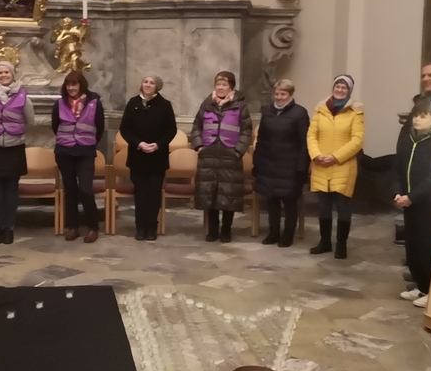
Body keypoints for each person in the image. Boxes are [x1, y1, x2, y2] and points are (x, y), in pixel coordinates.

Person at [190, 71, 253, 243]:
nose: (220, 87)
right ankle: (213, 231)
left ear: (231, 87)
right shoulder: (207, 103)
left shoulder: (240, 105)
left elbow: (246, 130)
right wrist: (199, 146)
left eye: (224, 84)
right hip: (208, 155)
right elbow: (196, 126)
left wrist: (238, 151)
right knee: (210, 194)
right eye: (218, 84)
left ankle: (226, 230)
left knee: (228, 194)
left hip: (230, 156)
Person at [307, 74, 364, 258]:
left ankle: (341, 245)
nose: (340, 90)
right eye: (337, 86)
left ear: (349, 91)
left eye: (344, 87)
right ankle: (325, 242)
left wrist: (335, 157)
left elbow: (357, 140)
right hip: (321, 164)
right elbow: (311, 135)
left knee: (343, 208)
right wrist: (316, 155)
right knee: (323, 207)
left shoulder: (355, 112)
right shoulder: (320, 110)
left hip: (343, 166)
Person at [393, 99, 431, 307]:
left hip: (427, 202)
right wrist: (398, 193)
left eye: (423, 116)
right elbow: (398, 169)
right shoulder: (407, 141)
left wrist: (413, 196)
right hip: (408, 202)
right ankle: (420, 285)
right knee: (412, 245)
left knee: (427, 246)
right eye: (416, 115)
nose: (417, 119)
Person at [119, 74, 177, 242]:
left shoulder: (165, 105)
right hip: (138, 156)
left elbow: (171, 130)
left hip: (157, 157)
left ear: (157, 86)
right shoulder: (133, 103)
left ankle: (152, 227)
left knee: (153, 194)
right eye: (145, 81)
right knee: (140, 194)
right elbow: (125, 129)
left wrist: (158, 145)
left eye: (152, 83)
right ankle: (140, 228)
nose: (148, 85)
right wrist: (138, 143)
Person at [253, 79, 309, 247]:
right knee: (272, 201)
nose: (279, 97)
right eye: (276, 94)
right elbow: (261, 139)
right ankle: (273, 233)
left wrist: (302, 168)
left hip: (290, 166)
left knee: (290, 202)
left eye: (283, 94)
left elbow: (304, 143)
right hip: (269, 164)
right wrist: (257, 162)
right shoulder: (267, 111)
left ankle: (288, 235)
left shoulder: (300, 113)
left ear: (290, 95)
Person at [51, 70, 104, 243]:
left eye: (74, 84)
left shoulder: (94, 103)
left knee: (86, 190)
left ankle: (93, 227)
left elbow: (100, 127)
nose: (71, 88)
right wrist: (68, 140)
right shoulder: (59, 103)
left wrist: (87, 142)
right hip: (64, 152)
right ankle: (73, 227)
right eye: (68, 85)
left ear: (81, 85)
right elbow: (55, 125)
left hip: (85, 152)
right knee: (70, 190)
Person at [0, 60, 34, 245]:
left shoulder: (22, 94)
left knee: (12, 189)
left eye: (7, 72)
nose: (3, 75)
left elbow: (30, 119)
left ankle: (9, 228)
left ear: (13, 74)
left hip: (14, 147)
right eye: (0, 73)